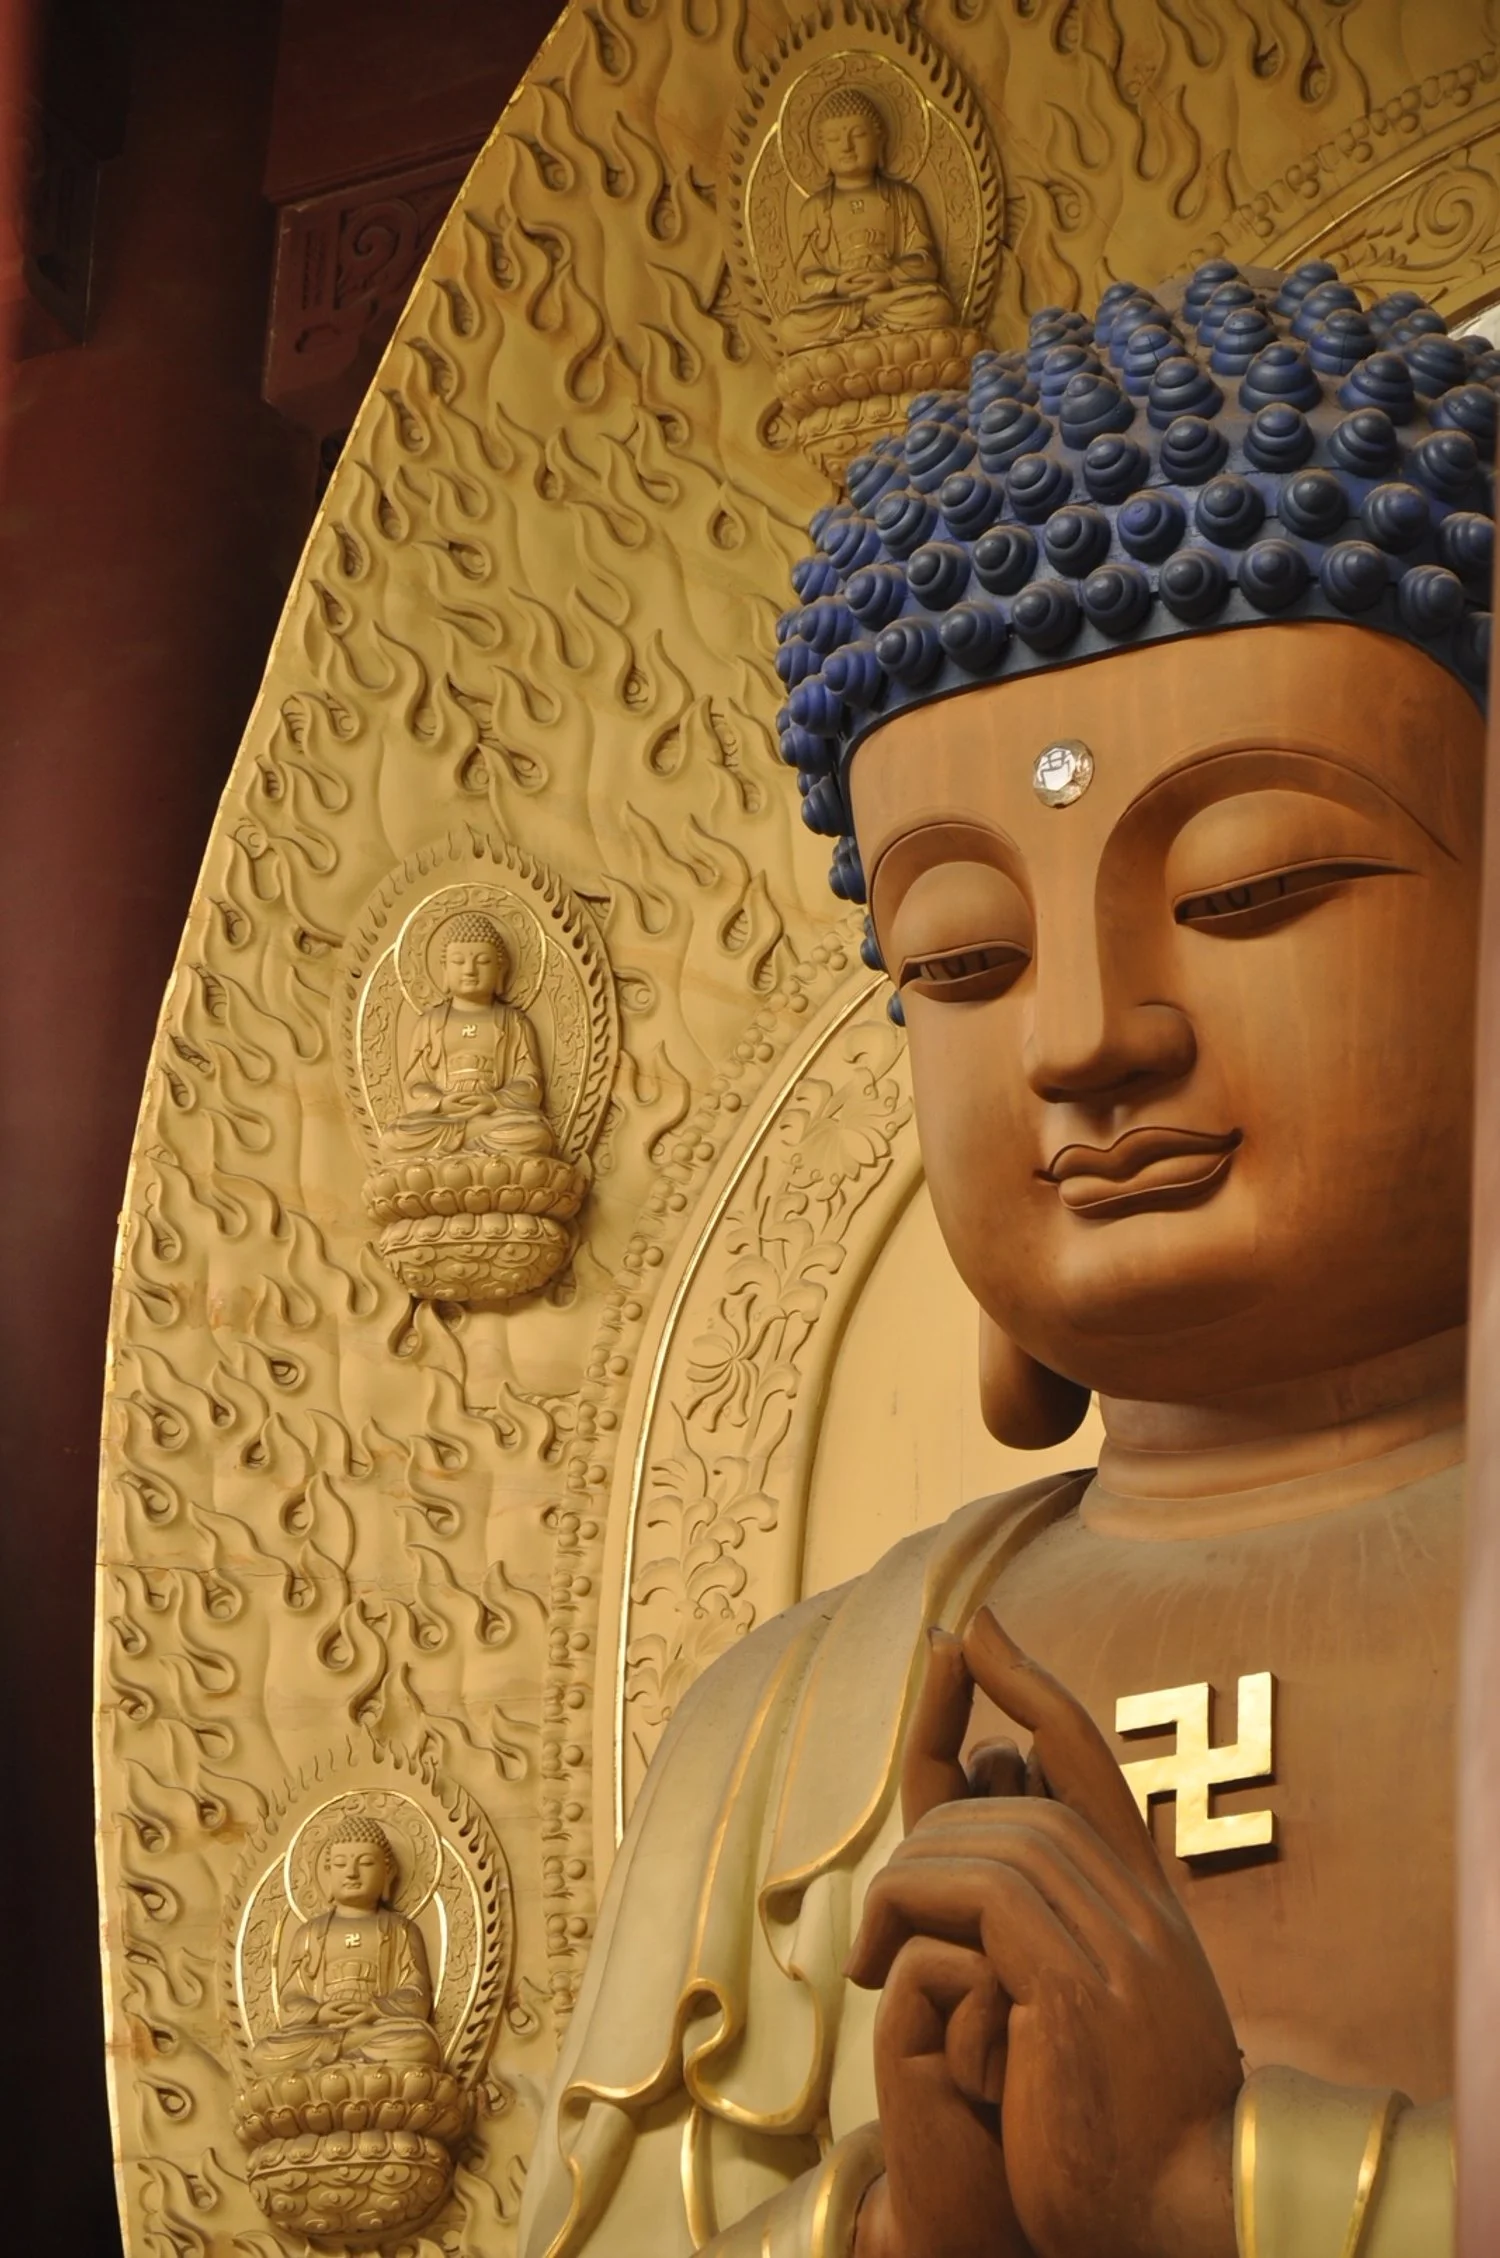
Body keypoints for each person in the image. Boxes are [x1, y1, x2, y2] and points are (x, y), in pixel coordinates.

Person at [520, 259, 1494, 2254]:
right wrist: (904, 2225)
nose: (1084, 1035)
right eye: (964, 959)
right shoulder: (788, 1730)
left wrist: (1213, 2187)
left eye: (1248, 886)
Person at [252, 1815, 442, 2071]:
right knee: (266, 2052)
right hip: (321, 2032)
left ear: (388, 1873)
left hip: (377, 2027)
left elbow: (416, 1993)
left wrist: (374, 2010)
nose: (351, 1873)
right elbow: (291, 1998)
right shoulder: (310, 1933)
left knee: (420, 2043)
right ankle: (350, 2052)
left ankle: (343, 2055)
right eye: (340, 1864)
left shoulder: (401, 1929)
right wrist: (319, 2013)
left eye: (366, 1863)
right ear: (328, 1873)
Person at [779, 87, 956, 353]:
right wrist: (837, 284)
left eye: (858, 134)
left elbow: (924, 260)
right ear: (823, 152)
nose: (847, 146)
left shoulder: (903, 197)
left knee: (936, 306)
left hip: (893, 297)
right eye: (834, 139)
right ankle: (871, 321)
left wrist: (889, 277)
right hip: (840, 307)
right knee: (792, 328)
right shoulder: (814, 208)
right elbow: (806, 276)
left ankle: (865, 324)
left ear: (880, 141)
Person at [384, 911, 555, 1159]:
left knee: (534, 1134)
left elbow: (529, 1083)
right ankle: (472, 1134)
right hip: (443, 1120)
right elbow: (415, 1084)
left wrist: (493, 1102)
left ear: (500, 970)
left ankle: (470, 1136)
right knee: (395, 1139)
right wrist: (441, 1103)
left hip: (497, 1116)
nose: (470, 970)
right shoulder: (430, 1023)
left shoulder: (514, 1022)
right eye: (458, 961)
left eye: (483, 962)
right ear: (444, 969)